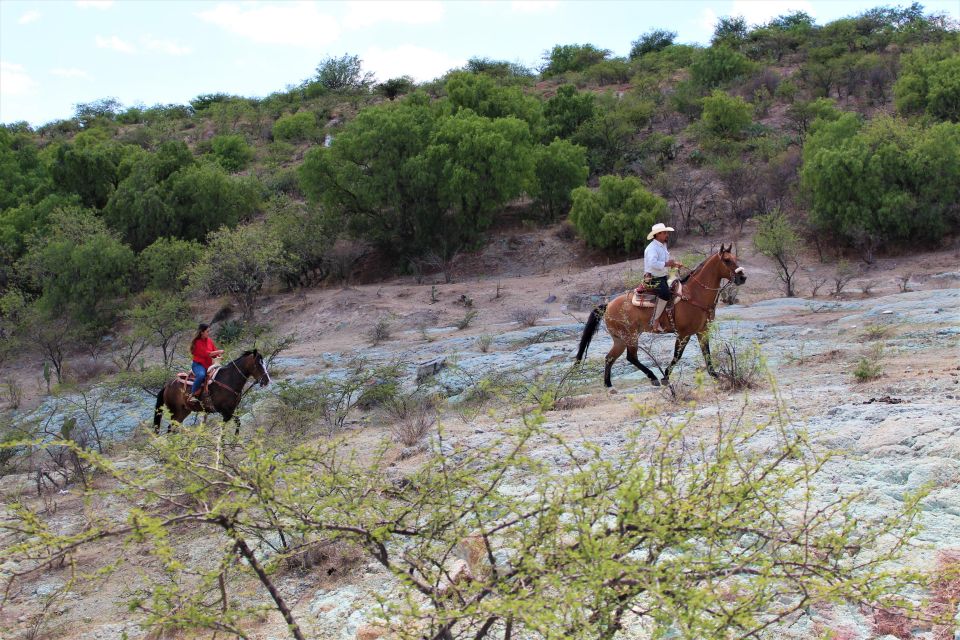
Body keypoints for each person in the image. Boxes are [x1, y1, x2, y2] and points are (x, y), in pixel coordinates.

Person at [643, 223, 683, 333]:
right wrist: (667, 264)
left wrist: (673, 264)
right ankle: (655, 322)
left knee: (678, 285)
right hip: (653, 278)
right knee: (665, 294)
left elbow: (664, 263)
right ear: (657, 234)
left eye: (666, 233)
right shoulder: (651, 248)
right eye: (665, 233)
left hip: (662, 276)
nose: (667, 235)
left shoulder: (662, 245)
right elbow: (652, 263)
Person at [188, 323, 223, 408]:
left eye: (209, 331)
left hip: (209, 365)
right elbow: (207, 354)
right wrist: (219, 352)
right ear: (202, 332)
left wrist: (219, 356)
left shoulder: (209, 340)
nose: (208, 333)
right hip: (198, 365)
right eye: (207, 331)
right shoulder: (197, 342)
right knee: (201, 375)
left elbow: (214, 351)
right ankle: (192, 395)